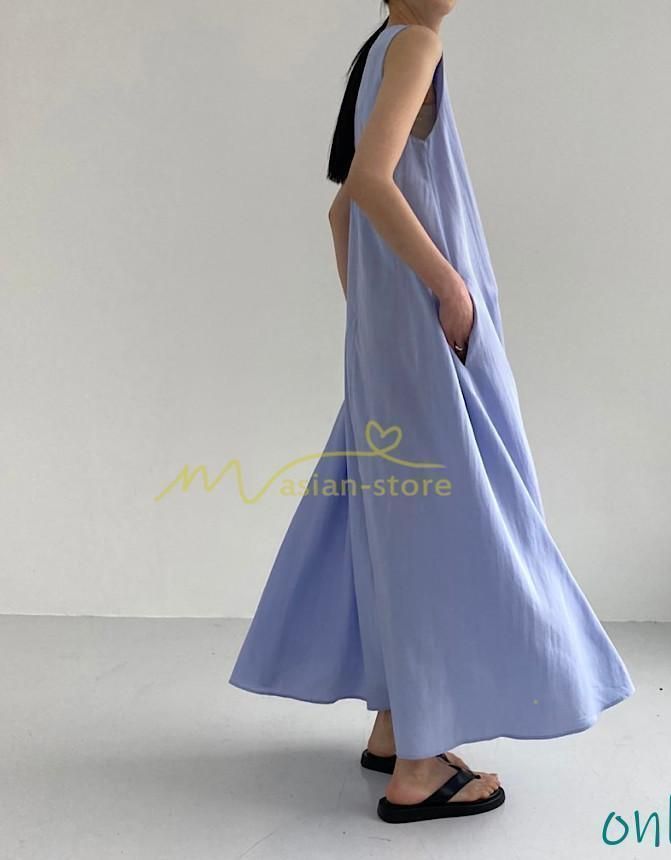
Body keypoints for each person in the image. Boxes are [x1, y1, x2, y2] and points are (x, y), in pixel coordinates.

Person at [230, 0, 635, 824]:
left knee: (400, 519)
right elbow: (369, 185)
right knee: (452, 525)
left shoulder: (380, 48)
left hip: (395, 340)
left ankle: (396, 725)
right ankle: (418, 769)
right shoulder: (415, 42)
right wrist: (447, 288)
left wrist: (373, 318)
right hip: (428, 331)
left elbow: (342, 209)